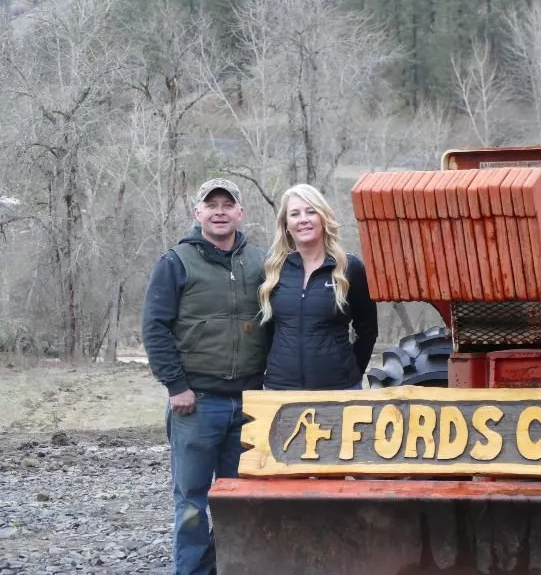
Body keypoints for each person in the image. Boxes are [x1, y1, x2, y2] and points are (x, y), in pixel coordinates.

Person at [141, 178, 269, 575]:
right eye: (210, 204)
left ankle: (230, 567)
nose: (219, 211)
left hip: (248, 402)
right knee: (192, 500)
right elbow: (154, 328)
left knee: (239, 499)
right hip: (196, 404)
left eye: (227, 204)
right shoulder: (176, 262)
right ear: (197, 213)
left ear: (240, 213)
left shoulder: (260, 263)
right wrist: (176, 386)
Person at [258, 184, 378, 390]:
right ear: (286, 224)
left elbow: (367, 330)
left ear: (323, 218)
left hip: (338, 390)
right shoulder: (273, 269)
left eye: (311, 211)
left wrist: (351, 373)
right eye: (295, 214)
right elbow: (267, 330)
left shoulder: (349, 268)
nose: (303, 219)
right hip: (280, 390)